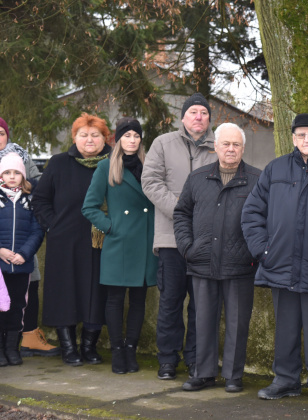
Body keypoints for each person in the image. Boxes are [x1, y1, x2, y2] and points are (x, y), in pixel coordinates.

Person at [242, 113, 308, 405]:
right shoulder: (275, 169)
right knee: (286, 328)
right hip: (281, 265)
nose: (307, 140)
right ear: (292, 138)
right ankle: (285, 380)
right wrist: (263, 250)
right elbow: (251, 212)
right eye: (301, 135)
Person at [173, 123, 261, 393]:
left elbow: (266, 220)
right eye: (225, 144)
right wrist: (188, 247)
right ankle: (203, 373)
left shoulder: (258, 180)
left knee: (237, 323)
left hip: (240, 264)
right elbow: (181, 214)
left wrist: (255, 251)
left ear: (243, 148)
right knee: (203, 321)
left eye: (236, 144)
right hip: (202, 262)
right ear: (215, 146)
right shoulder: (198, 178)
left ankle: (233, 376)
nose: (231, 149)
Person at [142, 93, 218, 380]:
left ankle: (197, 360)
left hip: (205, 241)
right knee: (170, 303)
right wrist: (182, 211)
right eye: (193, 112)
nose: (198, 117)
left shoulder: (218, 147)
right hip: (171, 241)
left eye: (203, 112)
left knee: (202, 306)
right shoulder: (163, 143)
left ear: (209, 119)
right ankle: (167, 360)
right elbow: (150, 182)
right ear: (183, 118)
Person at [33, 113, 113, 366]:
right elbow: (40, 199)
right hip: (64, 241)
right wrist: (53, 225)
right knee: (65, 293)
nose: (89, 140)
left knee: (96, 293)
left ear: (105, 138)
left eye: (95, 135)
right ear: (75, 137)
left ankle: (89, 347)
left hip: (102, 241)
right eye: (83, 135)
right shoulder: (58, 163)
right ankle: (68, 348)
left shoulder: (115, 163)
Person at [82, 118, 157, 374]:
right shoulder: (106, 167)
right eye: (127, 135)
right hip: (119, 242)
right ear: (118, 138)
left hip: (145, 242)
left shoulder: (150, 165)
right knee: (114, 300)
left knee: (138, 300)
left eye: (136, 136)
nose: (132, 140)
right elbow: (89, 207)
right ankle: (116, 351)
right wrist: (112, 227)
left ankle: (131, 350)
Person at [0, 117, 58, 358]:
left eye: (1, 133)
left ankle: (27, 337)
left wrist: (25, 185)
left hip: (23, 244)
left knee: (23, 294)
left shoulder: (20, 156)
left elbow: (39, 182)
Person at [0, 153, 44, 367]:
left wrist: (24, 254)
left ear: (23, 176)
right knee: (1, 307)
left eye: (16, 173)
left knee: (18, 306)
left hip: (21, 264)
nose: (12, 176)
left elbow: (37, 231)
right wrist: (1, 251)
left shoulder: (30, 201)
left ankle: (11, 348)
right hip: (0, 265)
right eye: (7, 172)